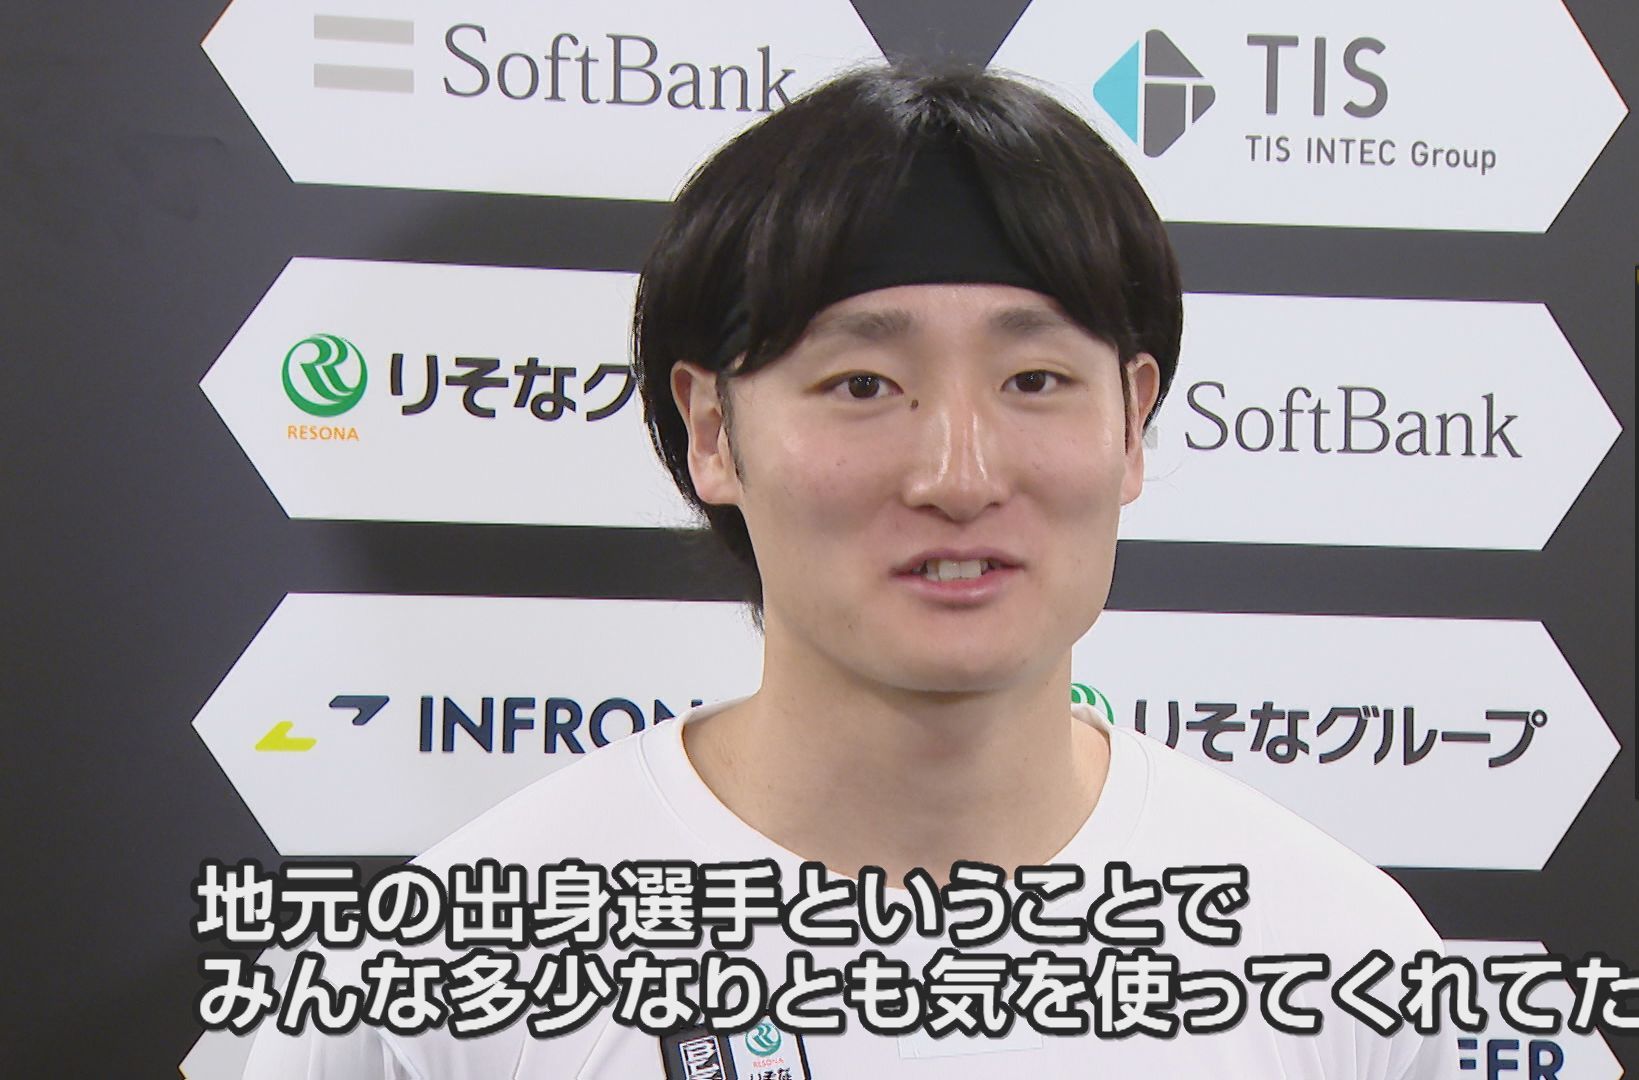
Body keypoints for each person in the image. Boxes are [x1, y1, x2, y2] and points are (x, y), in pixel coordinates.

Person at [240, 61, 1448, 1079]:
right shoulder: (443, 974)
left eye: (1034, 381)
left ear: (1132, 425)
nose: (959, 474)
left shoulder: (1340, 960)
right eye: (862, 384)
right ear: (712, 432)